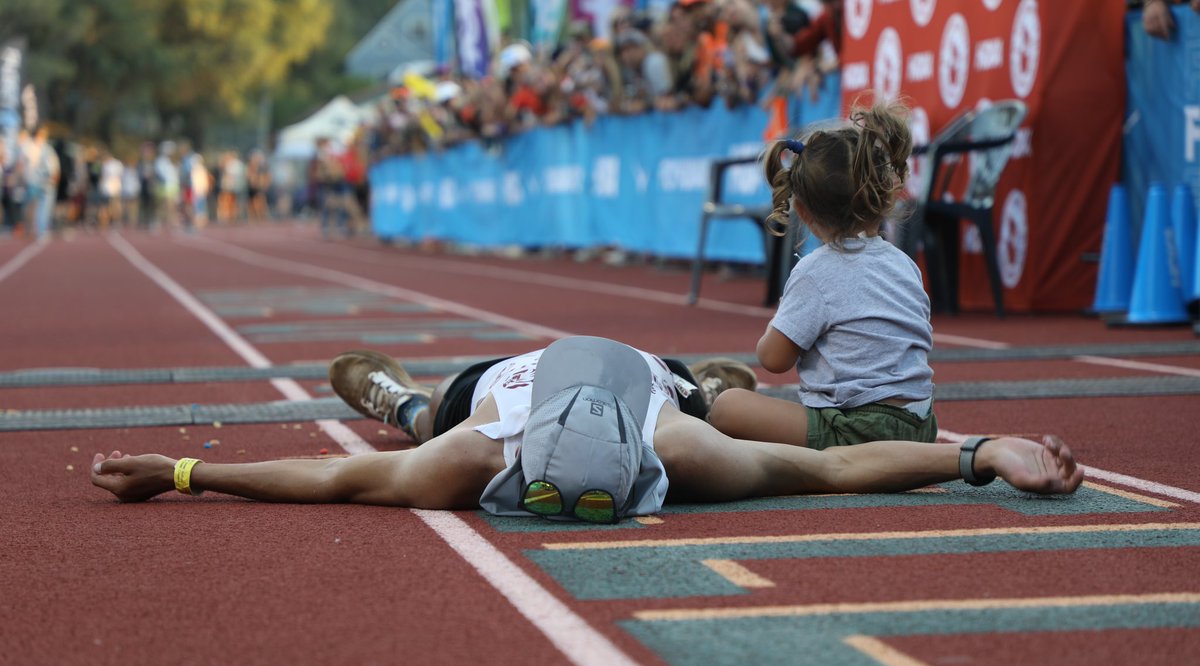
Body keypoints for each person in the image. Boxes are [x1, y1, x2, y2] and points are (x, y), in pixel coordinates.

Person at [91, 337, 1083, 521]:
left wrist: (981, 450)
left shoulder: (682, 447)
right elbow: (328, 481)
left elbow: (837, 464)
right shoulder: (479, 451)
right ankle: (391, 393)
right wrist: (180, 471)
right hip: (502, 385)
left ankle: (717, 373)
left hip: (660, 383)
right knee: (422, 424)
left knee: (721, 396)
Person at [706, 100, 937, 451]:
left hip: (858, 430)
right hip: (921, 426)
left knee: (728, 407)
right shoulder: (904, 263)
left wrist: (782, 320)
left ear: (803, 212)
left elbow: (773, 360)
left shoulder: (816, 271)